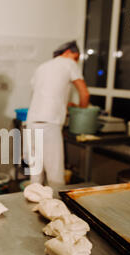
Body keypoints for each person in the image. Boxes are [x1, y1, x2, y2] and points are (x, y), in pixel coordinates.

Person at [26, 40, 89, 188]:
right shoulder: (69, 63)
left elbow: (45, 92)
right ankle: (56, 208)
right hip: (49, 124)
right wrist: (82, 110)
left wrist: (64, 104)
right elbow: (84, 94)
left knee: (35, 174)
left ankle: (34, 205)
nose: (76, 62)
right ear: (68, 53)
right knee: (55, 176)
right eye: (76, 58)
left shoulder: (42, 67)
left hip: (32, 122)